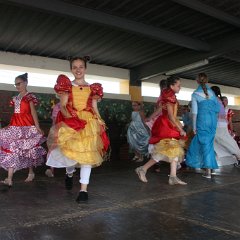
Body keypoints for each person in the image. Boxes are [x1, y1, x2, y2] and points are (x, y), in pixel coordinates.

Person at [46, 57, 109, 203]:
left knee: (87, 156)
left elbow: (94, 107)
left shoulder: (93, 88)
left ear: (85, 69)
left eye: (81, 67)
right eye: (75, 67)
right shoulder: (67, 86)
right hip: (72, 121)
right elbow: (63, 106)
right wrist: (71, 121)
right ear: (71, 70)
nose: (78, 70)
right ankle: (69, 174)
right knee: (71, 156)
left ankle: (83, 191)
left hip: (88, 124)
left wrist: (100, 121)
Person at [135, 76, 187, 185]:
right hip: (166, 125)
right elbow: (171, 116)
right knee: (167, 149)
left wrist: (149, 117)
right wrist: (179, 128)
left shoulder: (169, 95)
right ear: (172, 86)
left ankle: (172, 176)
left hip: (168, 123)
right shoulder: (169, 97)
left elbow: (160, 109)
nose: (180, 87)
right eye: (178, 85)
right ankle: (143, 169)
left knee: (172, 150)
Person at [0, 73, 46, 187]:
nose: (17, 86)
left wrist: (37, 126)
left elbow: (33, 112)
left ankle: (31, 172)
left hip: (27, 127)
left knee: (28, 150)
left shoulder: (29, 96)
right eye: (15, 84)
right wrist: (9, 125)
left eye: (19, 83)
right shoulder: (15, 98)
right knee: (11, 149)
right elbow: (15, 115)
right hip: (15, 127)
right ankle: (9, 178)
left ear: (25, 83)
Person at [186, 73, 220, 178]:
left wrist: (195, 127)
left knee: (205, 145)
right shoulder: (212, 93)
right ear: (206, 80)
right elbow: (217, 109)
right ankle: (211, 169)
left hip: (202, 120)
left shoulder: (195, 94)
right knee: (209, 144)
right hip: (212, 121)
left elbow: (195, 113)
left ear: (197, 81)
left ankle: (208, 171)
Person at [211, 86, 240, 167]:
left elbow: (217, 114)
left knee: (225, 141)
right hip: (220, 125)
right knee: (219, 141)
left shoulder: (215, 100)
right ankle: (234, 156)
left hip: (219, 125)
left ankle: (237, 155)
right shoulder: (217, 100)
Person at [45, 99, 61, 177]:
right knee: (52, 149)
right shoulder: (57, 106)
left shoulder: (58, 106)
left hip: (61, 130)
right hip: (59, 130)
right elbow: (55, 120)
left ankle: (51, 169)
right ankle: (51, 169)